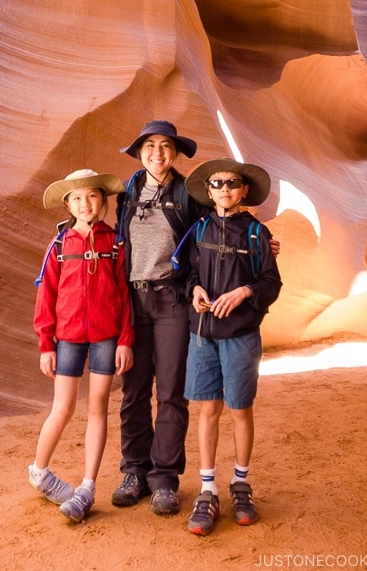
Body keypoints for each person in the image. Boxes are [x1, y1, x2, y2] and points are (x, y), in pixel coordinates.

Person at [111, 121, 280, 517]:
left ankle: (165, 479)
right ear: (139, 152)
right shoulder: (128, 192)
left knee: (171, 391)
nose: (157, 152)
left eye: (165, 145)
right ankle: (134, 471)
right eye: (149, 145)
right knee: (134, 390)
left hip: (174, 301)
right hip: (134, 300)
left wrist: (266, 243)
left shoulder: (191, 196)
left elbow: (229, 225)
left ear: (176, 152)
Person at [182, 158, 282, 536]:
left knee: (240, 408)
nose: (225, 188)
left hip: (241, 334)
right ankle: (207, 489)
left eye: (233, 183)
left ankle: (241, 484)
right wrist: (195, 290)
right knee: (207, 409)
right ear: (208, 192)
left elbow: (271, 282)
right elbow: (189, 271)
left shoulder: (257, 233)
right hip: (203, 333)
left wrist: (245, 292)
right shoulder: (199, 229)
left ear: (244, 191)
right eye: (217, 183)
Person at [30, 169, 134, 523]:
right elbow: (47, 294)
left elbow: (124, 293)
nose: (85, 204)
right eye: (76, 198)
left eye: (91, 196)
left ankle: (87, 487)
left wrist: (125, 339)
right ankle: (40, 472)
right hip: (68, 338)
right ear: (68, 205)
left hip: (106, 336)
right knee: (62, 408)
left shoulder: (115, 242)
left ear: (102, 201)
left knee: (98, 407)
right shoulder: (60, 245)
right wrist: (46, 344)